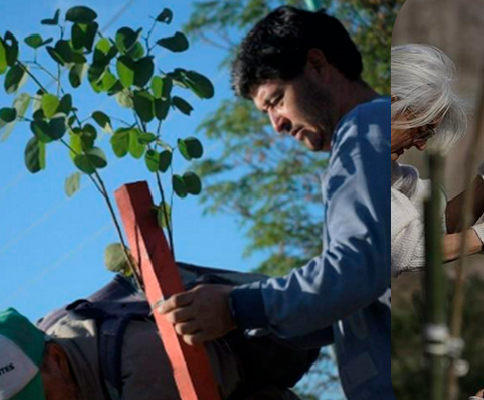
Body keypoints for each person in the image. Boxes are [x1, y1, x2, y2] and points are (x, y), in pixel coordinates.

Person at [151, 6, 390, 398]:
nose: (275, 124)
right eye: (266, 111)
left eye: (276, 100)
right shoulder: (382, 130)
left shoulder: (364, 132)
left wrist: (236, 307)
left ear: (316, 64)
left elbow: (358, 266)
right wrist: (246, 319)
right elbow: (350, 300)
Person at [0, 264, 325, 400]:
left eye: (44, 399)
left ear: (56, 359)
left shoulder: (141, 365)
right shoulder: (42, 344)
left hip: (264, 350)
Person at [387, 43, 484, 276]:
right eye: (421, 129)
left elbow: (440, 225)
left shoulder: (392, 176)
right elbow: (401, 247)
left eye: (428, 134)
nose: (421, 144)